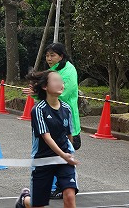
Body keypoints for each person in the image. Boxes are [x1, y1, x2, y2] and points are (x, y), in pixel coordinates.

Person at [23, 43, 81, 199]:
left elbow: (63, 92)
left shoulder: (68, 71)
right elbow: (46, 137)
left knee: (68, 152)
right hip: (47, 136)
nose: (49, 58)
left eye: (52, 55)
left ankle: (64, 185)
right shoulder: (39, 109)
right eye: (47, 55)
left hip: (63, 120)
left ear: (61, 56)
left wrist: (68, 149)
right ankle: (27, 200)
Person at [16, 70, 78, 208]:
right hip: (43, 159)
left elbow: (68, 135)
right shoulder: (38, 109)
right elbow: (46, 136)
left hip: (64, 160)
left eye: (61, 81)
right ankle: (24, 200)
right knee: (37, 204)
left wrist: (70, 154)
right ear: (45, 86)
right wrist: (63, 155)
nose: (60, 84)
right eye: (55, 81)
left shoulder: (66, 108)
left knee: (69, 196)